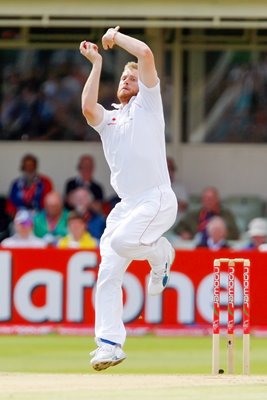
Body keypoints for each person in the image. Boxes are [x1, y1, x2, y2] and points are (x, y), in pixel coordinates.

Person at [80, 26, 177, 371]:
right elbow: (88, 108)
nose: (126, 80)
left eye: (131, 77)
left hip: (156, 199)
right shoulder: (110, 118)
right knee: (107, 272)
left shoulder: (149, 104)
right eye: (123, 76)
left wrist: (115, 38)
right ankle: (109, 344)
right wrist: (95, 64)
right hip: (127, 206)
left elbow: (146, 55)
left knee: (122, 243)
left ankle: (159, 255)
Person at [175, 186, 239, 244]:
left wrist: (220, 235)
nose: (208, 201)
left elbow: (235, 233)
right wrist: (183, 233)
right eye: (205, 199)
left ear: (217, 199)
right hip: (198, 244)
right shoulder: (194, 214)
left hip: (219, 246)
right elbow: (178, 227)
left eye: (211, 199)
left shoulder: (226, 214)